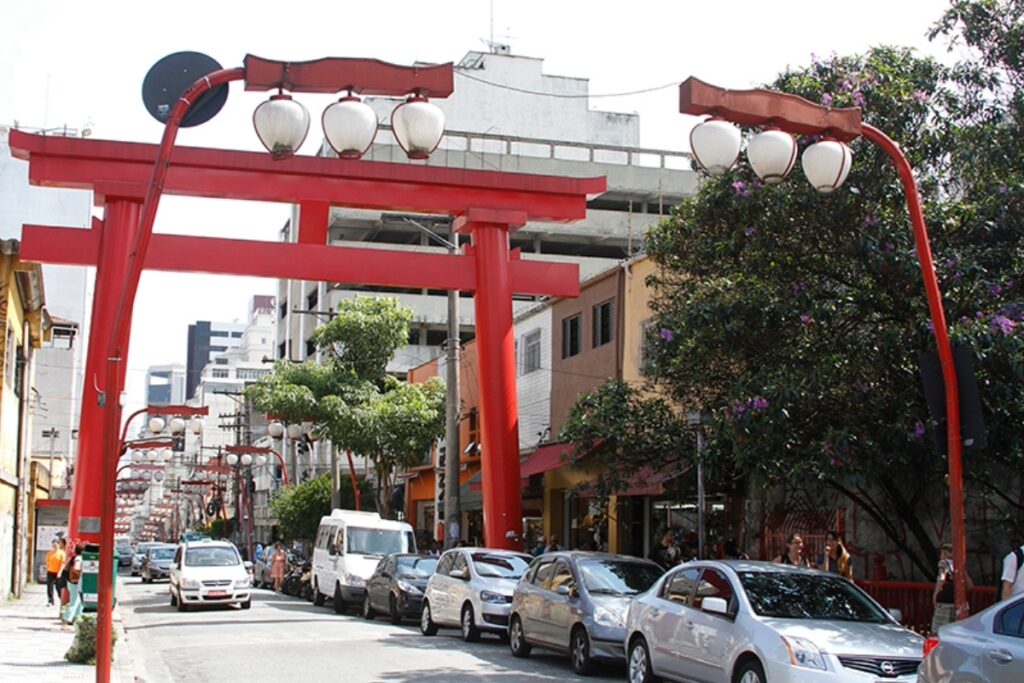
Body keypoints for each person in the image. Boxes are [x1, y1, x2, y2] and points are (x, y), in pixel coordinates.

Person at [932, 542, 974, 633]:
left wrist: (936, 594)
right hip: (958, 601)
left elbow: (942, 578)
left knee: (939, 629)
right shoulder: (959, 565)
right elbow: (970, 585)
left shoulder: (943, 563)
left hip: (944, 600)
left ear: (944, 554)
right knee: (954, 630)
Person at [61, 542, 84, 627]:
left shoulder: (75, 557)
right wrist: (82, 571)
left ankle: (78, 621)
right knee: (74, 602)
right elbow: (76, 568)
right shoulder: (79, 558)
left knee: (80, 603)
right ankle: (66, 622)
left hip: (73, 582)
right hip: (75, 583)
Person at [45, 539, 65, 607]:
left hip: (58, 572)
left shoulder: (62, 553)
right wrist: (47, 569)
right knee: (49, 586)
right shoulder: (49, 553)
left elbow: (63, 564)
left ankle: (61, 599)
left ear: (58, 545)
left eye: (56, 545)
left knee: (58, 587)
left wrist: (60, 572)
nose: (54, 546)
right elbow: (47, 562)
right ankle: (50, 600)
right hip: (50, 571)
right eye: (53, 545)